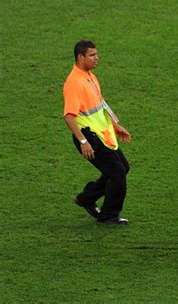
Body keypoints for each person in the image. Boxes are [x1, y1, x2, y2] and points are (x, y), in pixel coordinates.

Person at [63, 40, 131, 225]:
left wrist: (116, 125)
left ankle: (86, 198)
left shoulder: (90, 76)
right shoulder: (75, 83)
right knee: (117, 173)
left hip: (101, 134)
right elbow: (69, 116)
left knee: (122, 168)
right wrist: (83, 142)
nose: (97, 58)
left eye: (96, 54)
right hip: (88, 137)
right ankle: (108, 215)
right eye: (92, 55)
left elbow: (101, 103)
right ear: (80, 57)